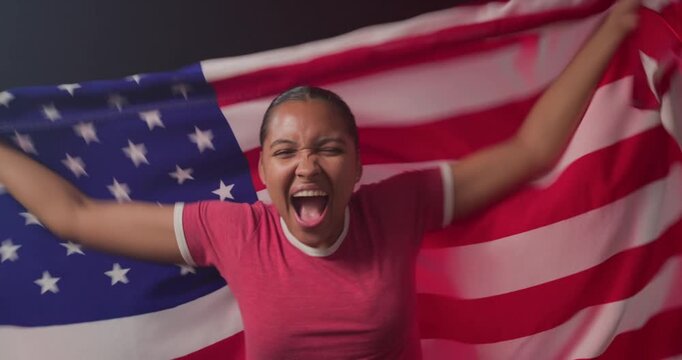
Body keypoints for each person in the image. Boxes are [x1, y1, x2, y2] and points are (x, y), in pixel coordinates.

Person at [0, 1, 640, 358]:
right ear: (265, 170)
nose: (305, 164)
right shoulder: (232, 230)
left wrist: (613, 26)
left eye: (327, 148)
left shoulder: (398, 208)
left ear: (356, 168)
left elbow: (530, 151)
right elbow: (74, 215)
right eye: (286, 151)